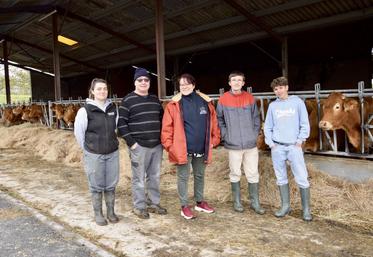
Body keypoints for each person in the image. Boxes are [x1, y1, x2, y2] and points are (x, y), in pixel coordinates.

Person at [161, 73, 220, 220]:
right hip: (182, 149)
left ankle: (199, 202)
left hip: (201, 147)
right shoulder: (174, 104)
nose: (184, 87)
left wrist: (215, 139)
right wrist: (170, 146)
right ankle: (184, 206)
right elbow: (166, 128)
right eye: (181, 85)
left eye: (187, 84)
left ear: (193, 85)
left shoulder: (205, 102)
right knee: (183, 177)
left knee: (199, 175)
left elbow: (214, 123)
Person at [117, 67, 167, 219]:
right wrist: (132, 143)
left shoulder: (154, 99)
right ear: (135, 82)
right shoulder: (127, 100)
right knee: (138, 178)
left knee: (155, 176)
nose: (143, 82)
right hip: (139, 146)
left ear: (149, 82)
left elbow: (162, 120)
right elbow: (121, 124)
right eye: (140, 80)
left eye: (146, 80)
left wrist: (163, 140)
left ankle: (153, 203)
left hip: (156, 146)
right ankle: (139, 206)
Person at [264, 76, 312, 221]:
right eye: (275, 89)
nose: (278, 91)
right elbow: (267, 126)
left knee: (301, 177)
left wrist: (300, 140)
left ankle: (306, 210)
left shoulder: (297, 103)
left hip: (293, 146)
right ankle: (285, 206)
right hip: (278, 146)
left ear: (286, 87)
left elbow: (304, 123)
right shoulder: (273, 106)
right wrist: (271, 143)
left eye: (280, 88)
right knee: (281, 177)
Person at [216, 71, 265, 214]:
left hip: (250, 144)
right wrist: (226, 135)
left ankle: (255, 203)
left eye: (239, 80)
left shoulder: (249, 98)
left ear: (243, 83)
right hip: (233, 143)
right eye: (234, 80)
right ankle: (237, 202)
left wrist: (254, 134)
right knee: (235, 172)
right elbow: (219, 119)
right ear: (229, 83)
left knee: (253, 172)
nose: (236, 82)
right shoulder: (223, 99)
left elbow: (256, 118)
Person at [74, 78, 120, 226]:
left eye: (105, 89)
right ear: (92, 91)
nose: (102, 91)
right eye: (99, 89)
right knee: (96, 184)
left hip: (112, 152)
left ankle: (111, 212)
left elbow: (115, 129)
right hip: (94, 154)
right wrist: (89, 149)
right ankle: (98, 213)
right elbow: (79, 133)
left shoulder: (113, 109)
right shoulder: (85, 110)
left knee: (111, 183)